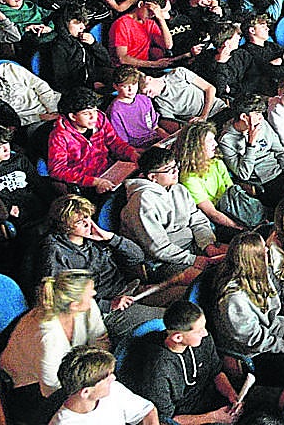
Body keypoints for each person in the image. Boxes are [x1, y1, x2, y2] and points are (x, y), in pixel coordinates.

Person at [36, 194, 163, 338]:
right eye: (79, 221)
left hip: (130, 291)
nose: (87, 223)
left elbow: (138, 257)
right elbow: (60, 297)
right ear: (64, 226)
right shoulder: (54, 252)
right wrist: (108, 305)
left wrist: (110, 238)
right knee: (171, 319)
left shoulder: (94, 237)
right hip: (105, 310)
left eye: (87, 217)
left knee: (185, 298)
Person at [121, 301, 252, 425]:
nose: (205, 333)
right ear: (177, 337)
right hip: (187, 416)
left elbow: (215, 371)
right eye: (199, 330)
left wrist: (231, 394)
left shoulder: (201, 340)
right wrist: (213, 417)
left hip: (211, 399)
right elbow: (166, 420)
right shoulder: (157, 370)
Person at [1, 270, 109, 413]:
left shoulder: (88, 306)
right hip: (31, 387)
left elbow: (100, 341)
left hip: (73, 374)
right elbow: (52, 389)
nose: (94, 294)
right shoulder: (45, 337)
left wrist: (98, 372)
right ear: (74, 305)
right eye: (90, 292)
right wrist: (91, 386)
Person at [212, 232, 284, 379]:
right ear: (254, 259)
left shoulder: (262, 272)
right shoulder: (233, 299)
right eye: (264, 250)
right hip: (258, 352)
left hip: (275, 331)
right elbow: (256, 341)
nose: (268, 250)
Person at [120, 146, 226, 282]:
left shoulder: (178, 188)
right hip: (164, 262)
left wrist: (208, 245)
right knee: (215, 279)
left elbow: (197, 219)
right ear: (153, 177)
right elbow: (158, 248)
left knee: (240, 257)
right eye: (169, 170)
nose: (176, 171)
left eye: (176, 165)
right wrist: (193, 260)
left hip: (194, 246)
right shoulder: (142, 202)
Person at [47, 87, 138, 193]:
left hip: (109, 171)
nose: (93, 116)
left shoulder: (100, 118)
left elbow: (114, 142)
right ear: (73, 116)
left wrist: (132, 153)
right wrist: (94, 182)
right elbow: (57, 170)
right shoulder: (59, 136)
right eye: (86, 113)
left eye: (94, 110)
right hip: (85, 183)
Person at [49, 346, 159, 425]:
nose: (114, 378)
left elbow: (147, 411)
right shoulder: (63, 422)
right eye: (106, 378)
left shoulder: (114, 389)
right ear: (86, 392)